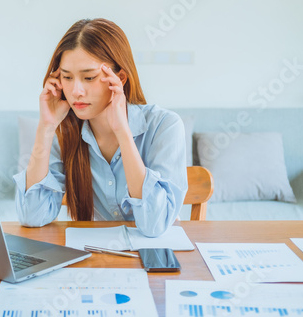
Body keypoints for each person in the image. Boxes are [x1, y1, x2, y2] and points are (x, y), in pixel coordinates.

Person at [13, 18, 187, 237]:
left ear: (119, 78)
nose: (76, 90)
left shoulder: (165, 126)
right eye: (67, 77)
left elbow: (154, 226)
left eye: (89, 77)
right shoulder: (65, 132)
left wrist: (123, 133)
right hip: (99, 258)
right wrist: (46, 127)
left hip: (153, 257)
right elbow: (32, 216)